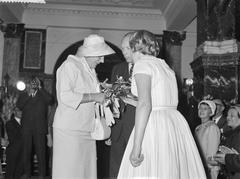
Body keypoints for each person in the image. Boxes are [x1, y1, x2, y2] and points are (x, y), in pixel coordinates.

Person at [117, 30, 206, 179]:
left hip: (155, 125)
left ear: (135, 47)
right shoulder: (165, 66)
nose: (124, 52)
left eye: (127, 48)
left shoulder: (142, 65)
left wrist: (136, 147)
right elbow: (160, 101)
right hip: (173, 123)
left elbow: (145, 104)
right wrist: (132, 101)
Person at [52, 34, 115, 179]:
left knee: (87, 173)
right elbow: (66, 96)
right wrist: (95, 96)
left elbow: (87, 92)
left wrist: (101, 88)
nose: (102, 60)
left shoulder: (90, 70)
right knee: (69, 173)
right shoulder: (69, 66)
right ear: (88, 54)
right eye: (99, 56)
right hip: (70, 130)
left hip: (87, 128)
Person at [109, 31, 136, 178]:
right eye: (123, 48)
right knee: (115, 168)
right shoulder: (117, 68)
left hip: (137, 127)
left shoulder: (146, 68)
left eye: (127, 48)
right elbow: (113, 100)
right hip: (118, 128)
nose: (124, 52)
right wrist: (110, 125)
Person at [16, 77, 53, 179]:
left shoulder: (43, 95)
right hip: (26, 129)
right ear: (28, 84)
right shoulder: (24, 95)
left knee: (41, 153)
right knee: (26, 153)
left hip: (39, 129)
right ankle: (27, 174)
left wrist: (40, 88)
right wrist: (29, 93)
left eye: (35, 83)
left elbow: (50, 100)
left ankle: (42, 175)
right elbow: (19, 105)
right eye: (31, 83)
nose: (33, 85)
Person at [213, 105, 240, 179]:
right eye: (227, 115)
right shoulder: (230, 133)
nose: (228, 118)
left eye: (232, 116)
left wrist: (226, 158)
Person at [195, 100, 220, 179]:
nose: (201, 111)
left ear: (211, 112)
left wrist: (206, 168)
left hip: (208, 169)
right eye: (200, 108)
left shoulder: (212, 128)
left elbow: (212, 154)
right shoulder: (198, 128)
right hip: (199, 167)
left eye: (205, 109)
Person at [5, 107, 23, 179]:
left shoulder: (26, 123)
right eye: (18, 111)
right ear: (14, 112)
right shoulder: (9, 123)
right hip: (13, 152)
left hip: (23, 151)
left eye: (22, 110)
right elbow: (14, 137)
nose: (21, 112)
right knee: (10, 173)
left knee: (18, 173)